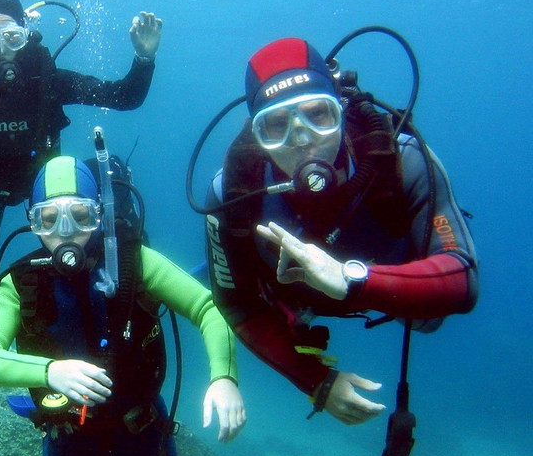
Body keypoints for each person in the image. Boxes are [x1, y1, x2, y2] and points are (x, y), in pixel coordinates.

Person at [0, 156, 245, 456]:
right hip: (70, 430)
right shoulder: (20, 283)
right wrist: (50, 372)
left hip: (141, 427)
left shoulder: (136, 263)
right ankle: (44, 419)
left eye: (80, 215)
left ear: (101, 215)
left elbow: (208, 309)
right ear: (32, 222)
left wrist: (224, 377)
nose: (65, 233)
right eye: (48, 219)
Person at [203, 37, 478, 425]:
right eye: (276, 125)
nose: (302, 140)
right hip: (294, 298)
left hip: (378, 281)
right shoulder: (230, 195)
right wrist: (317, 381)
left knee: (428, 320)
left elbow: (463, 275)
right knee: (217, 281)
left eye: (319, 115)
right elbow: (237, 304)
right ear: (256, 136)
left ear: (343, 110)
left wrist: (351, 278)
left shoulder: (406, 161)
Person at [0, 0, 161, 283]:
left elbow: (124, 97)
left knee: (108, 180)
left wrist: (144, 57)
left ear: (25, 36)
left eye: (11, 38)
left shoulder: (45, 82)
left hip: (43, 190)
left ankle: (127, 264)